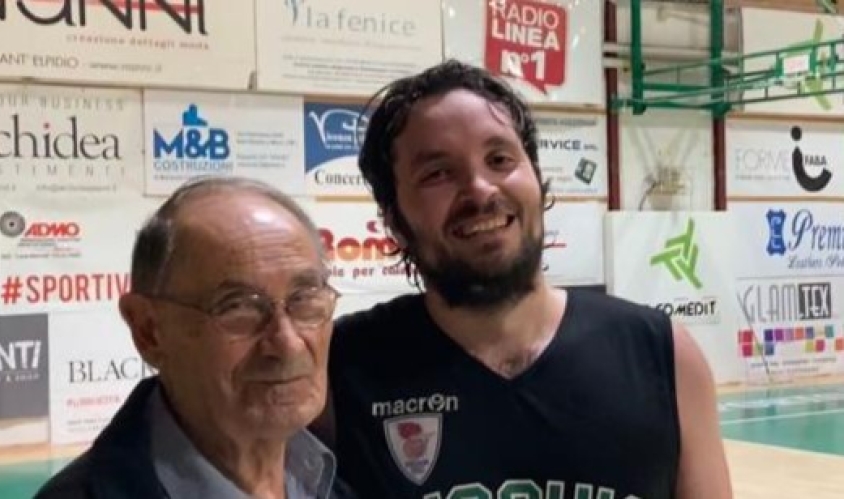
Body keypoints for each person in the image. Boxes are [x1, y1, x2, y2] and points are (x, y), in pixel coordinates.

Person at [311, 60, 733, 499]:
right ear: (394, 221)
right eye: (437, 173)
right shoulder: (339, 372)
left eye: (499, 159)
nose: (480, 189)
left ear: (538, 179)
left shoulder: (663, 355)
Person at [35, 177, 355, 499]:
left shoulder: (334, 477)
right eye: (239, 307)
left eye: (305, 300)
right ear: (149, 331)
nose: (288, 344)